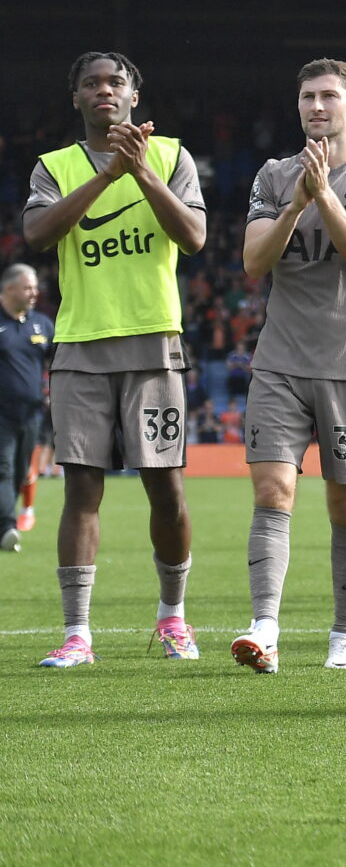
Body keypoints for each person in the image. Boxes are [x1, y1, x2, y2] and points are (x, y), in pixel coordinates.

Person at [21, 52, 208, 666]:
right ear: (75, 97)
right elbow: (38, 235)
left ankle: (173, 619)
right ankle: (78, 633)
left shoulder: (173, 157)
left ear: (134, 95)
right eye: (92, 83)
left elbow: (194, 237)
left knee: (167, 490)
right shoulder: (56, 166)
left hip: (155, 344)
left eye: (116, 81)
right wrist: (107, 177)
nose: (105, 90)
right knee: (81, 489)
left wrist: (141, 173)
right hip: (81, 346)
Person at [234, 58, 346, 673]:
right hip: (279, 362)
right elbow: (254, 262)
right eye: (307, 96)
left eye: (329, 96)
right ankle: (266, 628)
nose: (315, 106)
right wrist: (293, 205)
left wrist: (325, 195)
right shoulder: (274, 175)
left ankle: (343, 633)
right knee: (273, 490)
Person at [0, 264, 56, 552]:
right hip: (1, 413)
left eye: (34, 287)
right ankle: (7, 526)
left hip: (32, 413)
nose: (34, 292)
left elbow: (58, 361)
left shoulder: (43, 324)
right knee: (4, 468)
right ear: (8, 289)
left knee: (21, 471)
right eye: (27, 287)